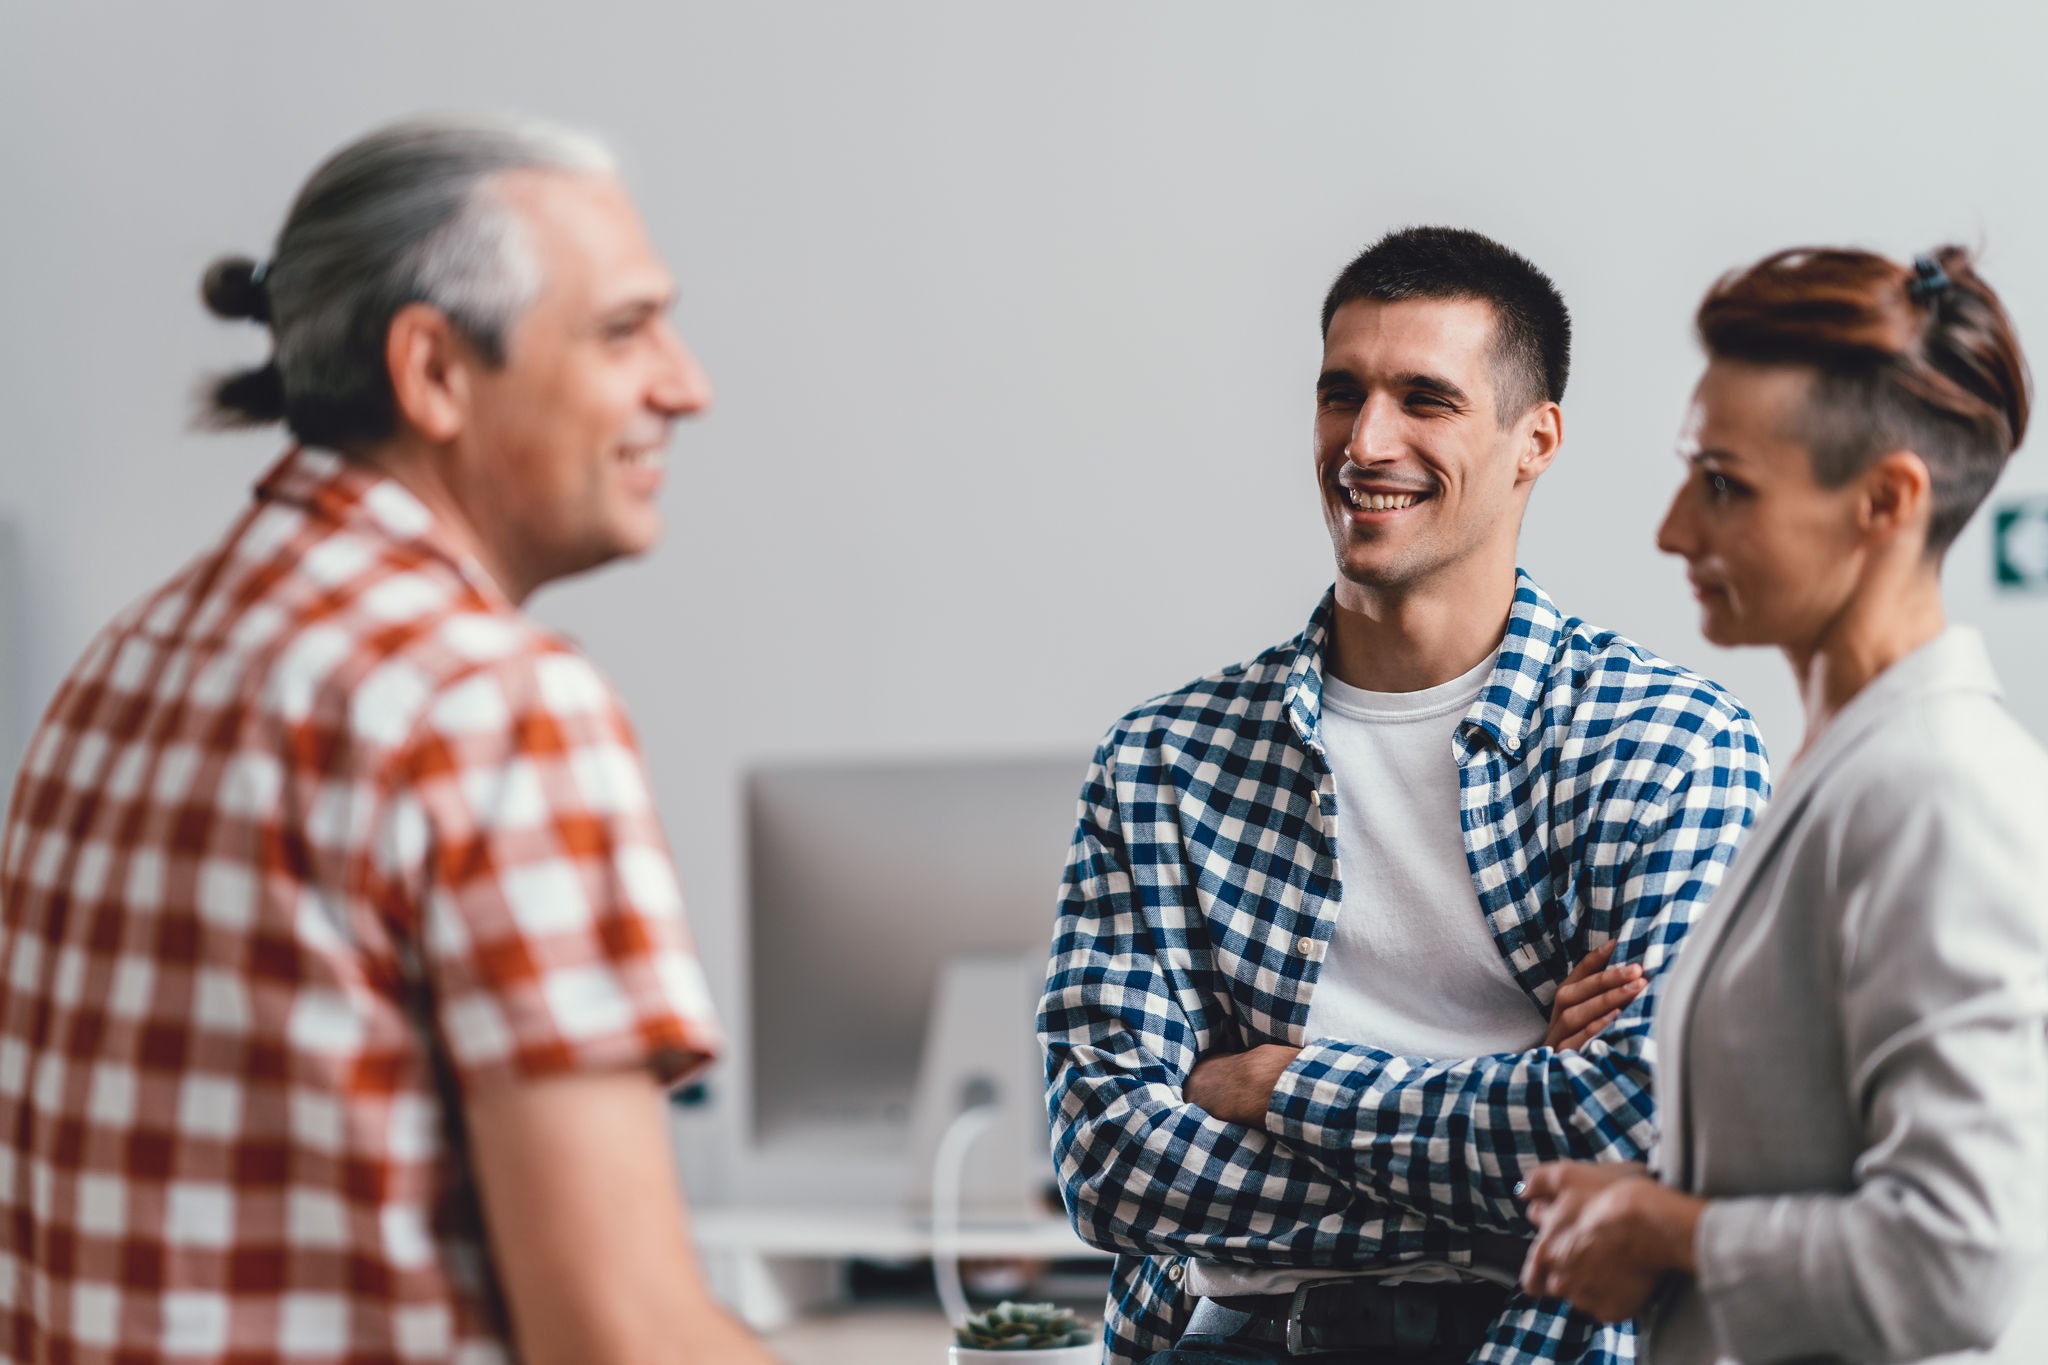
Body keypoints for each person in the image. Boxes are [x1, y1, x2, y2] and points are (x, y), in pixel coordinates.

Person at [0, 114, 779, 1363]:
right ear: (432, 372)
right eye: (625, 331)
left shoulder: (124, 664)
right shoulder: (488, 702)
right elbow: (620, 1341)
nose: (686, 386)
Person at [1039, 226, 1771, 1365]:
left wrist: (1283, 1084)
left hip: (1532, 1341)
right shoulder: (1162, 760)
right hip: (1225, 1343)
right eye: (1341, 394)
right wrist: (1518, 1108)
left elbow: (1646, 1131)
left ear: (1534, 442)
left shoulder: (1665, 745)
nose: (1365, 441)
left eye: (1423, 399)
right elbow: (1109, 1166)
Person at [1519, 245, 2048, 1363]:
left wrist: (1672, 1232)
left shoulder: (1936, 786)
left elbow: (1959, 1257)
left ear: (1885, 502)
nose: (1672, 530)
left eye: (1723, 483)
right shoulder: (1841, 765)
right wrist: (1658, 1195)